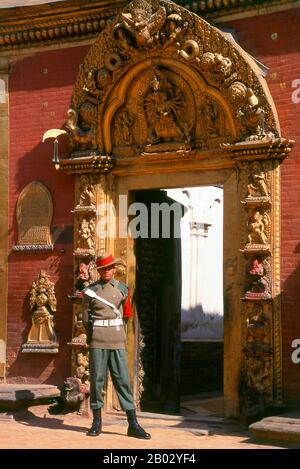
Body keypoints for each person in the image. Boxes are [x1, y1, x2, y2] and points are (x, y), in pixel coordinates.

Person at [82, 253, 151, 439]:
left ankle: (133, 424)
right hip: (97, 341)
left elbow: (127, 316)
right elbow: (85, 318)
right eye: (103, 269)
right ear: (99, 271)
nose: (107, 271)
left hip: (116, 341)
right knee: (97, 380)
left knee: (122, 381)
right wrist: (93, 337)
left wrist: (120, 336)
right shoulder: (90, 291)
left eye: (110, 268)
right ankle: (96, 422)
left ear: (114, 269)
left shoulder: (122, 289)